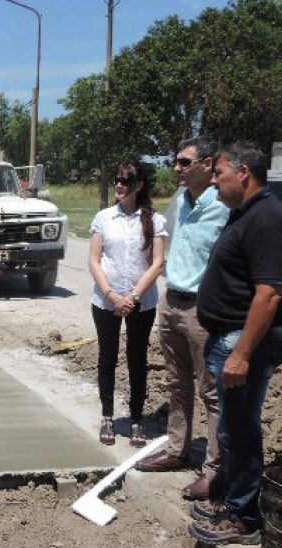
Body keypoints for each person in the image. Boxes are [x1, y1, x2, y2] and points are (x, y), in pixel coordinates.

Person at [189, 142, 282, 545]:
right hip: (229, 336)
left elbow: (268, 294)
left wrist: (242, 352)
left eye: (219, 173)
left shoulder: (267, 220)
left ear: (244, 174)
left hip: (245, 341)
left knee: (241, 430)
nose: (214, 179)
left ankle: (243, 518)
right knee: (232, 430)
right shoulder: (246, 214)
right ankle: (231, 501)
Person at [135, 138, 229, 503]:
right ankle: (177, 450)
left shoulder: (222, 206)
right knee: (176, 383)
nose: (176, 168)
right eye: (176, 161)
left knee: (211, 391)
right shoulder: (180, 202)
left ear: (207, 164)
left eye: (184, 162)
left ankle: (214, 470)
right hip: (171, 302)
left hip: (202, 311)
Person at [89, 161, 168, 447]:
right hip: (105, 300)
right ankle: (107, 416)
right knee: (107, 357)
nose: (119, 186)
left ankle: (136, 419)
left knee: (137, 360)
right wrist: (111, 295)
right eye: (117, 181)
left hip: (141, 303)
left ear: (139, 185)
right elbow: (94, 260)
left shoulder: (154, 221)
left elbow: (157, 263)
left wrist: (133, 296)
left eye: (125, 181)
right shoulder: (104, 218)